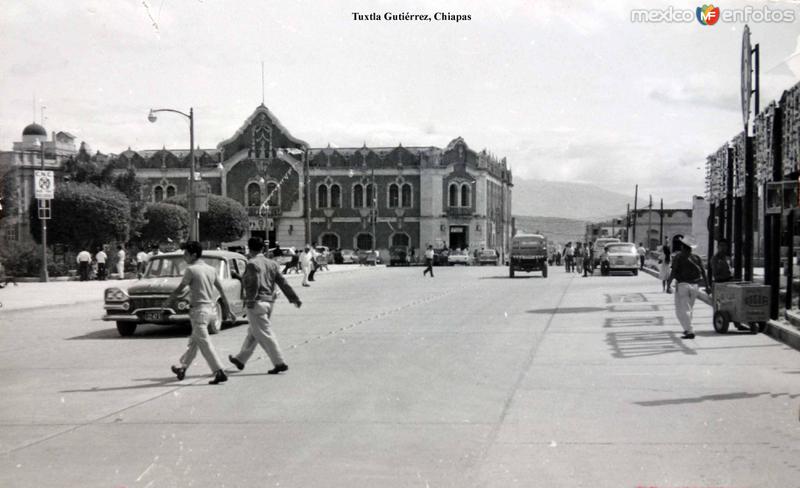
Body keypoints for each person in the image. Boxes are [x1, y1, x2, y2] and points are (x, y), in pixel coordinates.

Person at [228, 237, 302, 375]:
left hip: (256, 302)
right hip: (269, 302)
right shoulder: (272, 264)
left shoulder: (252, 264)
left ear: (249, 249)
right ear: (262, 248)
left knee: (264, 333)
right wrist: (293, 298)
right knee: (254, 333)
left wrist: (250, 300)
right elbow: (282, 282)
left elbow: (252, 283)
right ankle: (240, 359)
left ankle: (279, 362)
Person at [165, 241, 235, 385]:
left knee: (204, 342)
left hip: (198, 311)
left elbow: (180, 288)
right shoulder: (210, 269)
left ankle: (219, 371)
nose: (184, 257)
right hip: (209, 310)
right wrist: (228, 309)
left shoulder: (191, 270)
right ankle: (182, 368)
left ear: (193, 255)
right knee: (195, 341)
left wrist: (169, 300)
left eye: (186, 254)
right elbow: (221, 290)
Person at [667, 235, 710, 340]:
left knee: (680, 310)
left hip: (682, 285)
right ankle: (687, 328)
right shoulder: (696, 257)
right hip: (695, 286)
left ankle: (690, 330)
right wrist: (707, 286)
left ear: (682, 246)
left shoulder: (678, 257)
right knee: (689, 309)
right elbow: (704, 272)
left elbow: (673, 272)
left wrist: (668, 284)